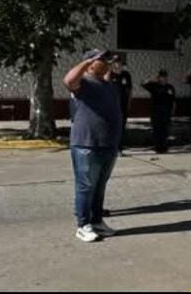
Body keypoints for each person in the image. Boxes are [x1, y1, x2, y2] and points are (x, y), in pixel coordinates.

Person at [63, 49, 123, 243]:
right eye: (101, 60)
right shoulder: (83, 83)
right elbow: (68, 81)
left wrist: (109, 63)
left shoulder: (107, 85)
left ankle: (97, 221)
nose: (106, 63)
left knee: (99, 187)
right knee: (86, 186)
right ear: (90, 63)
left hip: (108, 144)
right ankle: (83, 225)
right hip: (87, 144)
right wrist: (88, 61)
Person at [141, 70, 175, 154]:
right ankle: (158, 147)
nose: (164, 79)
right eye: (162, 77)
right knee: (157, 130)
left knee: (165, 130)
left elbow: (173, 100)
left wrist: (173, 111)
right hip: (156, 111)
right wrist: (152, 79)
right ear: (159, 78)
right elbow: (143, 83)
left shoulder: (170, 87)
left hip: (166, 112)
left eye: (165, 77)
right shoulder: (154, 86)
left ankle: (164, 147)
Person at [110, 56, 133, 155]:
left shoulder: (126, 75)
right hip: (112, 106)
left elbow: (130, 90)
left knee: (121, 127)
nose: (117, 64)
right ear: (112, 64)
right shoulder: (109, 75)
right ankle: (111, 147)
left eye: (119, 62)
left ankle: (119, 147)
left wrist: (129, 102)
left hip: (123, 105)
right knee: (111, 127)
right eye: (115, 62)